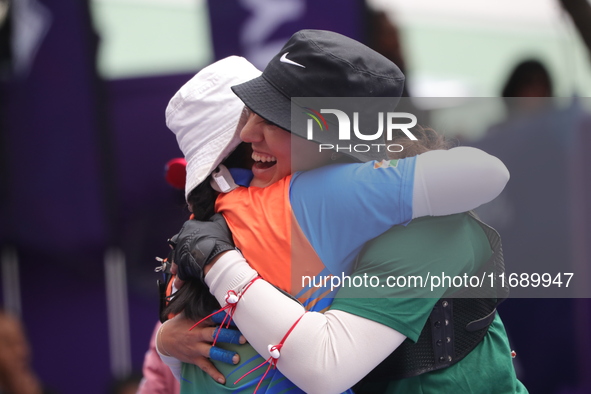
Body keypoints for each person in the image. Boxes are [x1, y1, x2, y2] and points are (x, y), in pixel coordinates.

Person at [159, 31, 517, 393]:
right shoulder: (270, 210)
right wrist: (167, 338)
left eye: (275, 118)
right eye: (251, 112)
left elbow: (324, 367)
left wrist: (216, 262)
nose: (250, 134)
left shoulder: (427, 228)